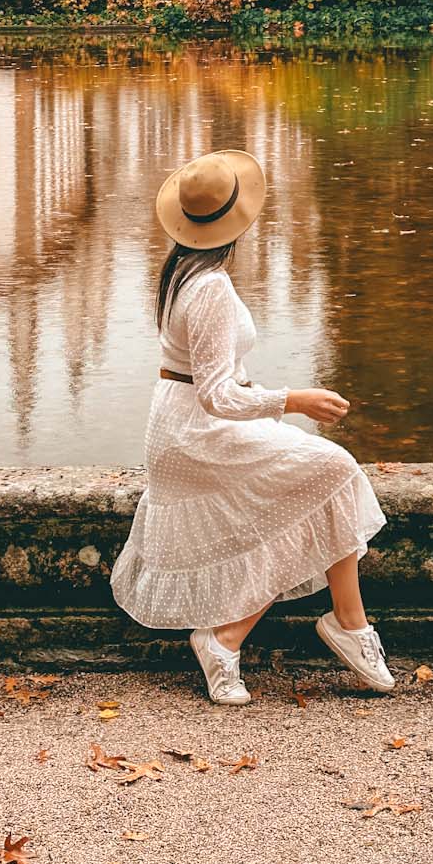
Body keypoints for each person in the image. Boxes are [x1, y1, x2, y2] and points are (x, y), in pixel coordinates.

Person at [109, 149, 392, 705]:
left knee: (324, 481)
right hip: (197, 432)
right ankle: (336, 628)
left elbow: (207, 377)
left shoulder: (180, 268)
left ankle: (251, 636)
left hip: (179, 420)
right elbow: (217, 395)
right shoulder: (209, 285)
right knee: (332, 470)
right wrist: (295, 399)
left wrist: (264, 395)